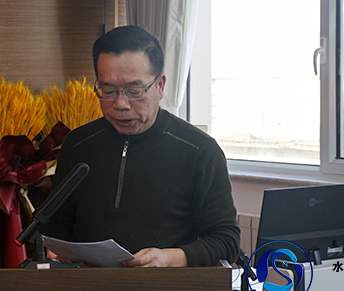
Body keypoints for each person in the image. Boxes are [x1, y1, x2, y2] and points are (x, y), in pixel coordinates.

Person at [39, 25, 240, 267]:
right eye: (107, 91)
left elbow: (226, 241)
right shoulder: (78, 144)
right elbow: (55, 225)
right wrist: (55, 251)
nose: (120, 104)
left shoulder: (200, 151)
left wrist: (169, 258)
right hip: (88, 285)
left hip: (165, 286)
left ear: (160, 85)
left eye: (134, 91)